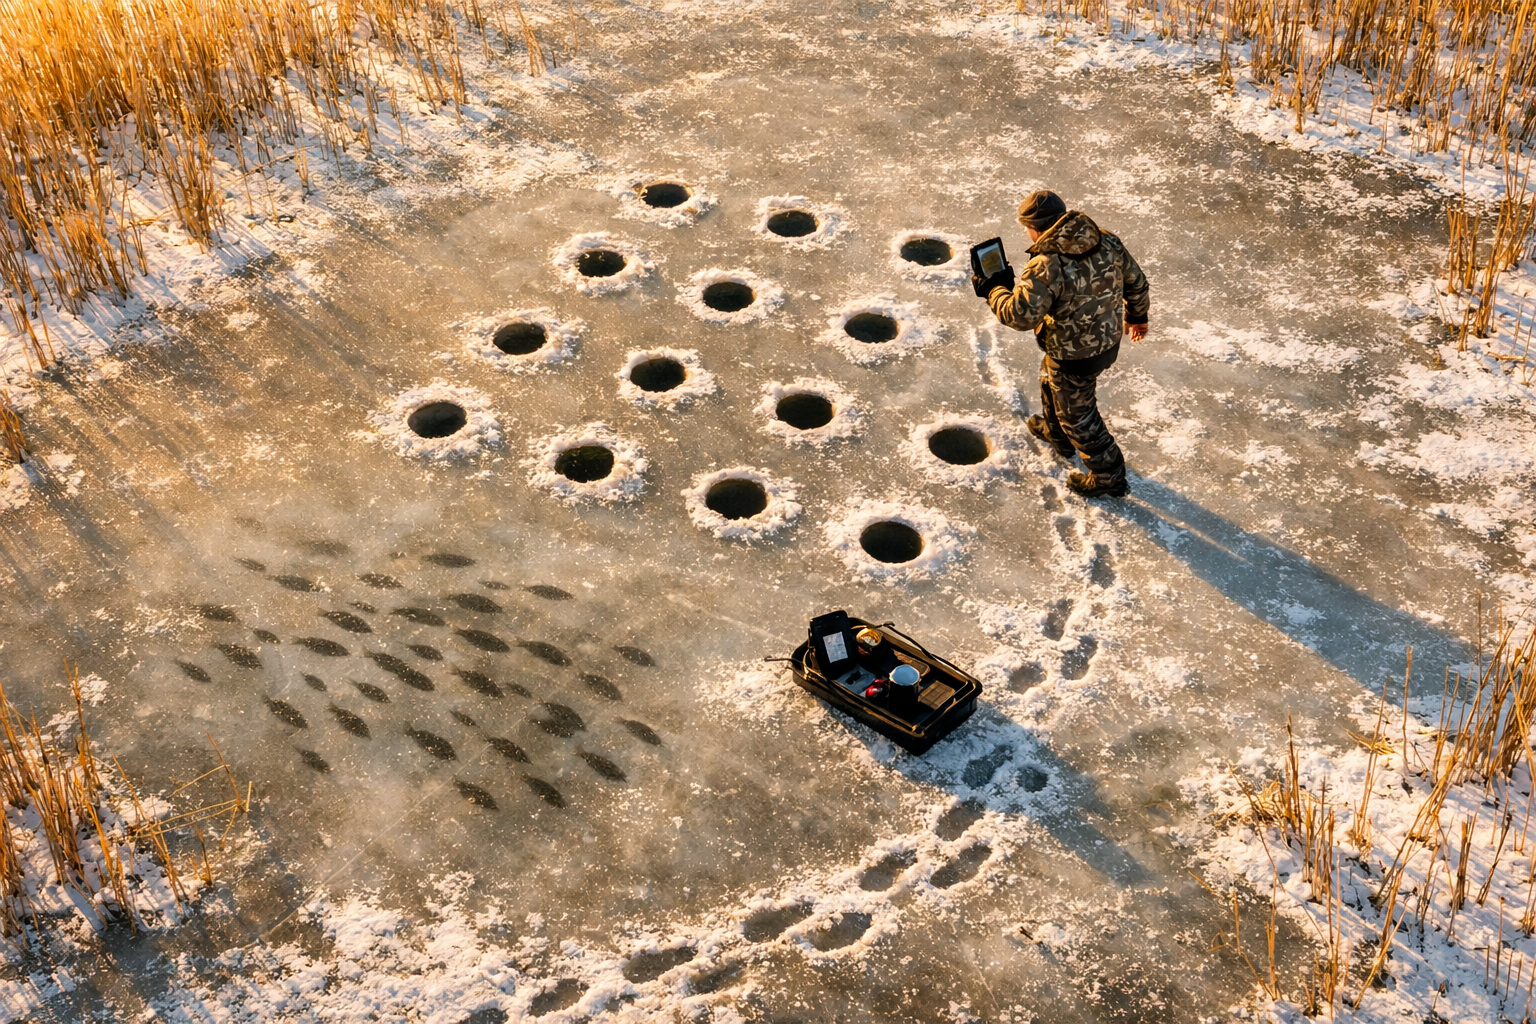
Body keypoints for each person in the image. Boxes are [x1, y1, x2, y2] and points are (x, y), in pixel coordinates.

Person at [973, 190, 1149, 498]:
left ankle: (1108, 475)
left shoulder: (1047, 263)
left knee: (1078, 417)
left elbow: (1018, 315)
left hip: (1075, 354)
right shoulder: (1106, 240)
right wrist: (1138, 315)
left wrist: (993, 289)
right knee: (1049, 380)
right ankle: (1058, 435)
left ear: (1035, 227)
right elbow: (1136, 280)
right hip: (1104, 339)